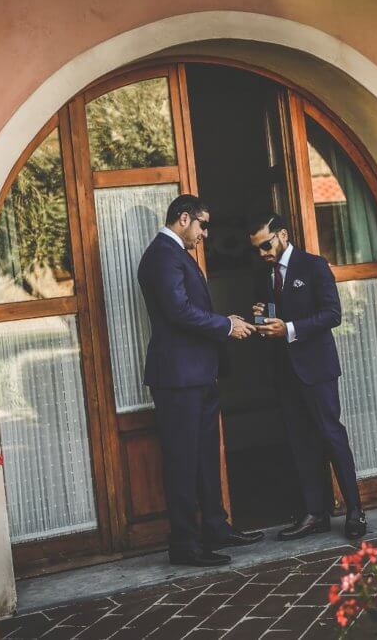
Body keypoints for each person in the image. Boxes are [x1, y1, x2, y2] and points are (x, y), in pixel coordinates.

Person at [137, 194, 264, 566]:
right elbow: (178, 312)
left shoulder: (176, 254)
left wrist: (227, 322)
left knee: (206, 457)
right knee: (182, 462)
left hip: (198, 373)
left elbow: (191, 310)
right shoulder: (162, 255)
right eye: (202, 225)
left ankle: (215, 528)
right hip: (177, 378)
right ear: (183, 218)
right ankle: (185, 545)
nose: (206, 233)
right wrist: (226, 325)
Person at [248, 212, 367, 541]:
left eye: (266, 245)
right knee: (300, 443)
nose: (263, 254)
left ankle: (355, 510)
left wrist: (287, 328)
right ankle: (316, 514)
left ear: (282, 235)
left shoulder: (314, 265)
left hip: (317, 369)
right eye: (257, 249)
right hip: (285, 372)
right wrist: (263, 319)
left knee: (331, 436)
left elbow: (332, 314)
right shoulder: (266, 275)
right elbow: (274, 319)